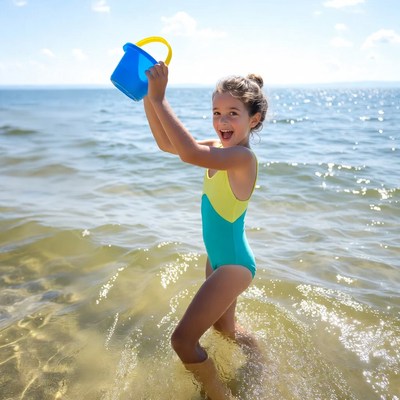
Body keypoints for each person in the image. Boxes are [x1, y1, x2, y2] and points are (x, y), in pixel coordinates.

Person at [143, 61, 268, 400]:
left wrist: (160, 99)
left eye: (232, 113)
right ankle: (258, 357)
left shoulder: (242, 158)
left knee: (182, 341)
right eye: (216, 112)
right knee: (223, 328)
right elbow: (168, 145)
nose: (222, 121)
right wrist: (147, 97)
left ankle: (218, 395)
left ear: (252, 119)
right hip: (217, 259)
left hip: (234, 266)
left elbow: (187, 154)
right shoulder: (218, 149)